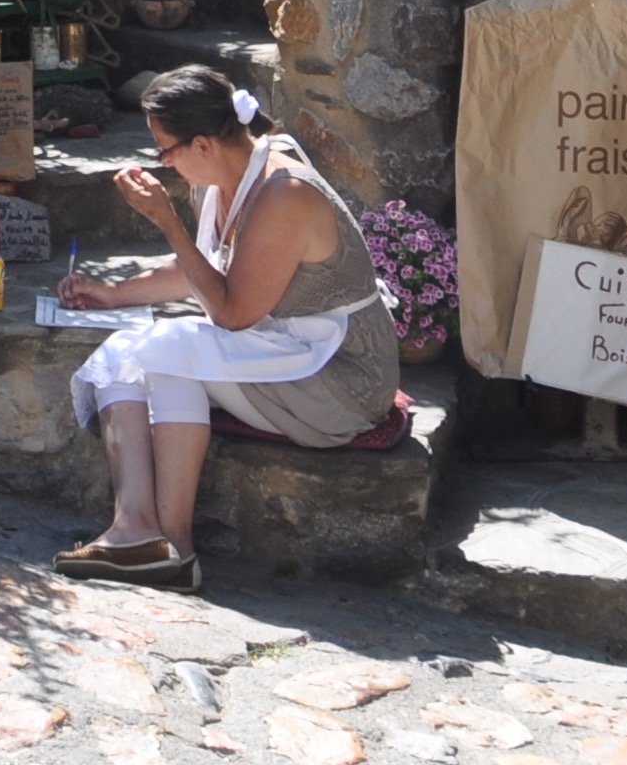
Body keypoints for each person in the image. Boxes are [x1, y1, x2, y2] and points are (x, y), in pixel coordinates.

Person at [48, 65, 400, 585]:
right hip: (285, 349)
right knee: (134, 350)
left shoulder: (283, 192)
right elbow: (203, 271)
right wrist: (113, 293)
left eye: (165, 150)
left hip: (341, 377)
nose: (164, 163)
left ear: (203, 144)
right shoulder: (216, 182)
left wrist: (167, 223)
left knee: (168, 348)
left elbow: (232, 313)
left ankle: (168, 543)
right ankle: (140, 532)